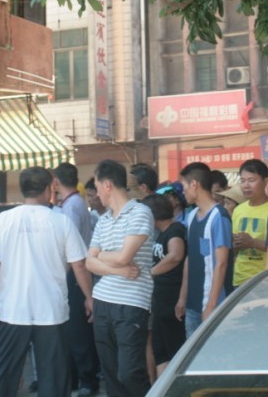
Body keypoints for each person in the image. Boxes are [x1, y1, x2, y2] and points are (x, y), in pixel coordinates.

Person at [0, 167, 92, 397]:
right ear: (49, 189)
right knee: (54, 378)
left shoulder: (5, 219)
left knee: (3, 375)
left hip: (12, 311)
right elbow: (79, 265)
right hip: (52, 312)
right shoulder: (61, 222)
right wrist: (89, 297)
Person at [86, 159, 155, 397]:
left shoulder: (140, 212)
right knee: (111, 374)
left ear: (107, 185)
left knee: (130, 372)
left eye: (97, 187)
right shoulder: (103, 220)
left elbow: (125, 256)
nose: (96, 194)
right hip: (102, 301)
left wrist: (101, 255)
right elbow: (88, 262)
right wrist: (118, 270)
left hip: (131, 303)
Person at [53, 162, 100, 397]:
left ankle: (86, 379)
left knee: (78, 329)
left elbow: (68, 246)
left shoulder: (71, 206)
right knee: (76, 328)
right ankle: (78, 377)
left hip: (75, 272)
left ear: (56, 181)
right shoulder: (76, 203)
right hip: (78, 269)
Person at [176, 162, 233, 338]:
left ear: (194, 184)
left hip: (213, 304)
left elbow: (222, 263)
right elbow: (190, 258)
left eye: (184, 186)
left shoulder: (219, 216)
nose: (183, 191)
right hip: (192, 303)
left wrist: (211, 305)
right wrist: (182, 297)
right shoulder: (192, 215)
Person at [142, 193, 187, 376]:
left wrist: (150, 273)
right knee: (160, 351)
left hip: (172, 300)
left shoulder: (175, 230)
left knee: (175, 350)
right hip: (159, 301)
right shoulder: (160, 234)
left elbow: (176, 255)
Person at [230, 159, 268, 287]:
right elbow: (233, 249)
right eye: (242, 181)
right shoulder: (238, 210)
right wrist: (234, 244)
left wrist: (253, 242)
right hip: (240, 279)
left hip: (267, 280)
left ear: (265, 181)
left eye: (251, 180)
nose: (246, 185)